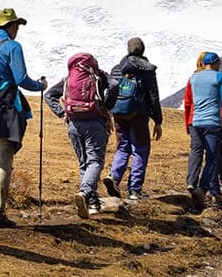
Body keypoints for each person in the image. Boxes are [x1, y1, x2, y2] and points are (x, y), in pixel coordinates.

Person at [0, 8, 46, 230]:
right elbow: (21, 78)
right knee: (5, 160)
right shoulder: (12, 46)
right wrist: (40, 85)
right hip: (4, 110)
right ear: (12, 26)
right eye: (17, 26)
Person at [45, 52, 117, 219]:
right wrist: (106, 107)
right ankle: (85, 193)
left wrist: (62, 112)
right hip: (95, 123)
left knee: (84, 163)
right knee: (95, 161)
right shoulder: (99, 75)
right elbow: (114, 86)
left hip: (74, 124)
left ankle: (92, 204)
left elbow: (49, 95)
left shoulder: (68, 78)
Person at [103, 37, 163, 200]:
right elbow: (153, 96)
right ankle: (135, 190)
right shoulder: (147, 69)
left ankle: (114, 177)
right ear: (142, 50)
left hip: (118, 113)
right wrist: (158, 121)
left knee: (123, 147)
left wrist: (108, 113)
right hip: (139, 115)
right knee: (140, 150)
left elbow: (111, 91)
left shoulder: (117, 68)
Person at [183, 52, 222, 209]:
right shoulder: (220, 77)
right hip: (212, 122)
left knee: (197, 151)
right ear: (215, 62)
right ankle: (202, 188)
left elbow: (189, 101)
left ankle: (196, 184)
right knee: (213, 157)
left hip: (196, 122)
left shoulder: (194, 78)